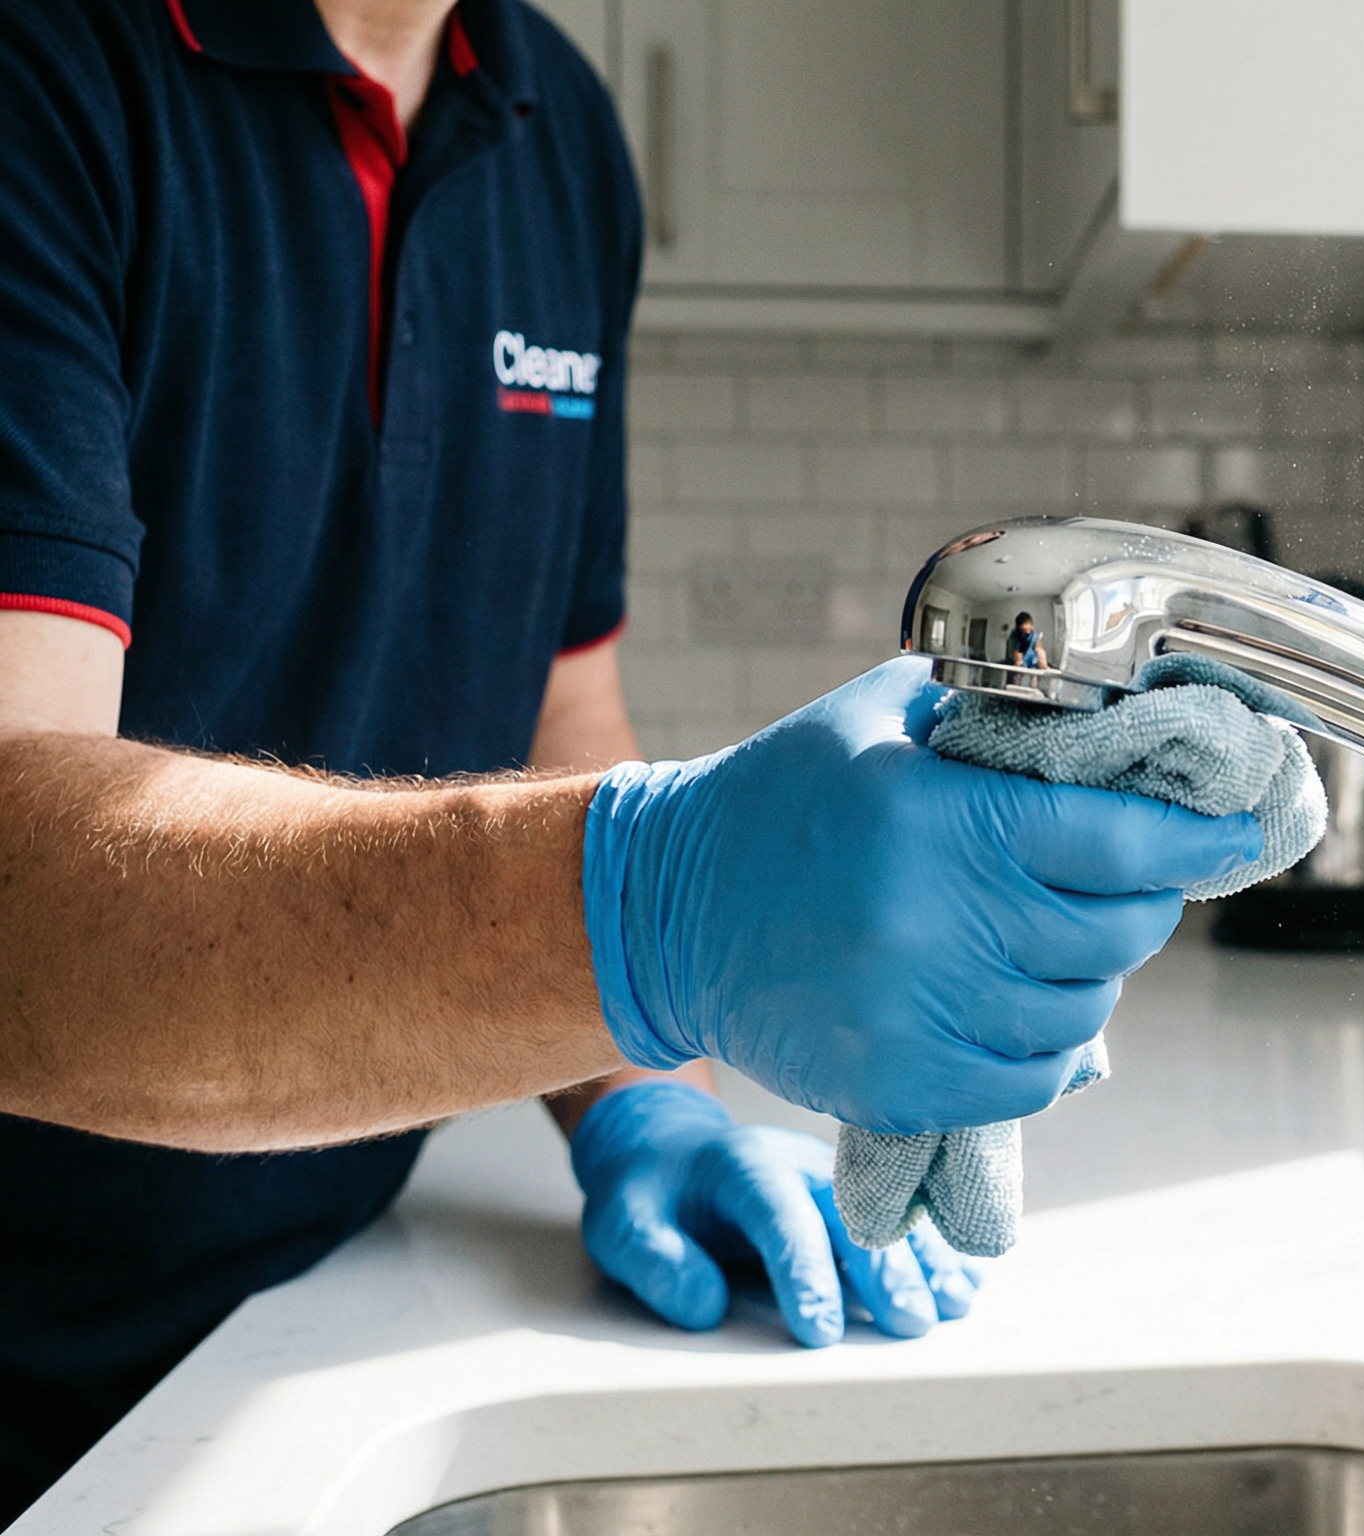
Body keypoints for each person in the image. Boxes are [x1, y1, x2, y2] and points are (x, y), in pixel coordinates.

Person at [0, 0, 1255, 1517]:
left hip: (304, 1311)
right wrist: (659, 906)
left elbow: (559, 709)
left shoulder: (559, 131)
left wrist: (635, 1098)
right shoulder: (48, 67)